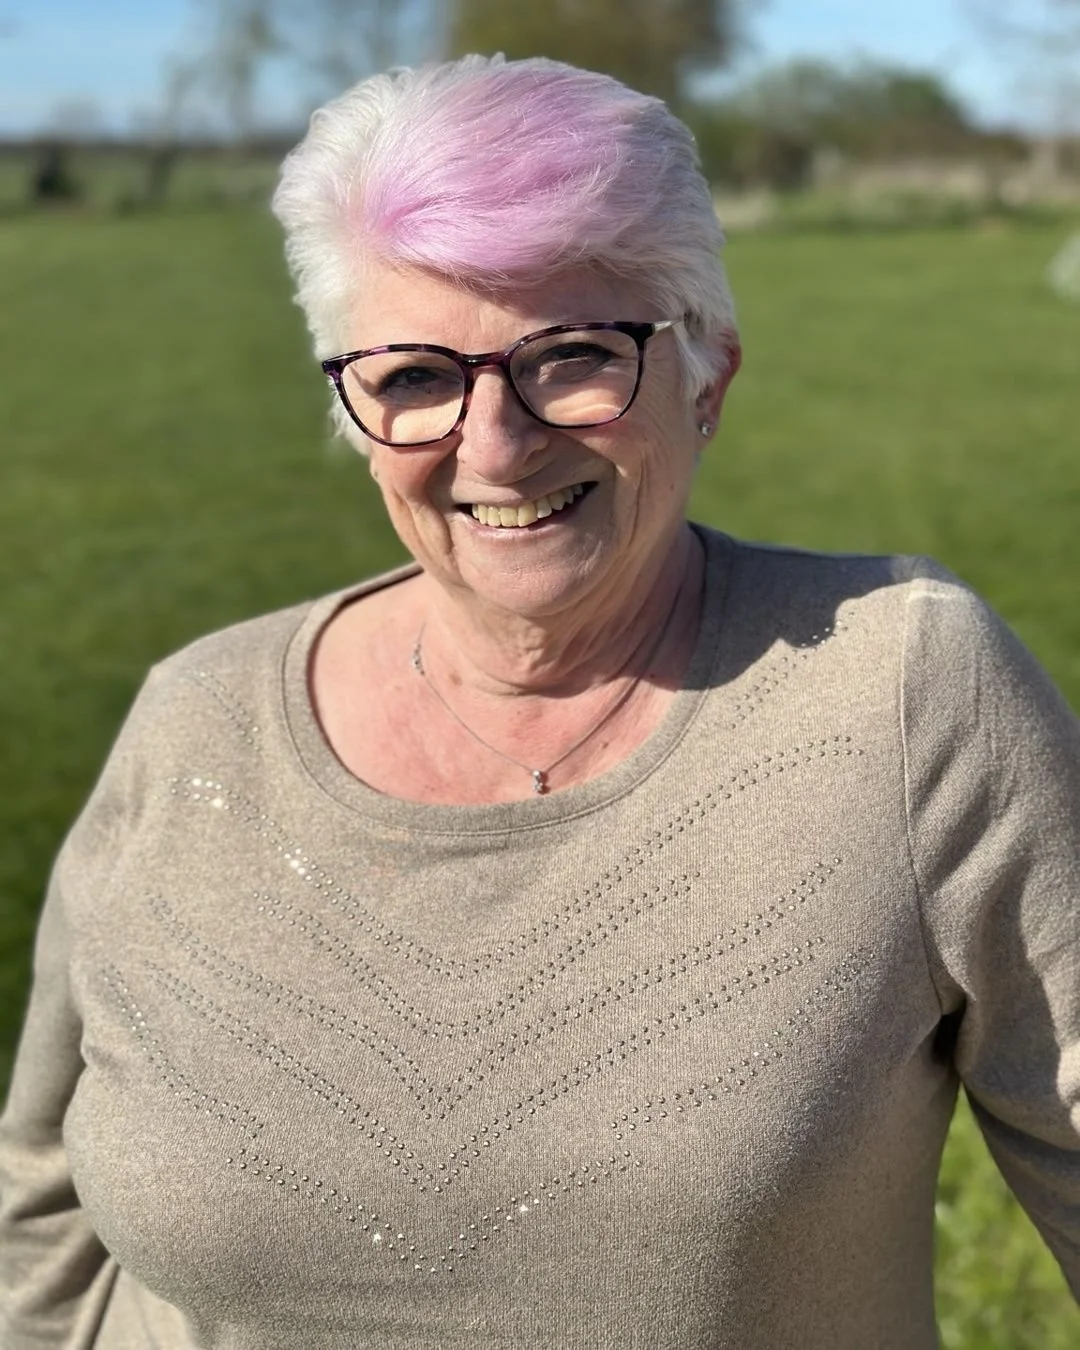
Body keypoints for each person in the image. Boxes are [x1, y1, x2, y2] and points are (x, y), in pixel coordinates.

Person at [1, 53, 1077, 1350]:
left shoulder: (903, 695)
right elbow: (41, 1211)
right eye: (412, 377)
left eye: (572, 356)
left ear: (710, 374)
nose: (494, 442)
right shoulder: (196, 719)